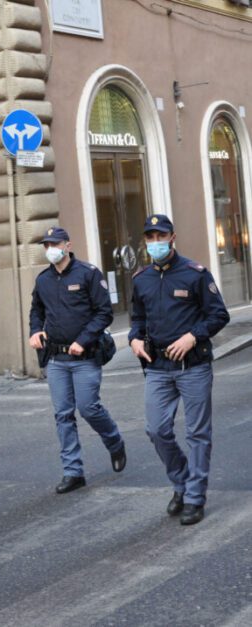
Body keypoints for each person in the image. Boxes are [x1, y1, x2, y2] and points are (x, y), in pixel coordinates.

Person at [129, 215, 229, 525]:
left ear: (173, 237)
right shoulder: (141, 278)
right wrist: (134, 339)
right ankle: (182, 483)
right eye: (150, 237)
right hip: (157, 367)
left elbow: (219, 315)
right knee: (156, 429)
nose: (155, 242)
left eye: (161, 236)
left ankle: (195, 498)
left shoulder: (195, 274)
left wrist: (192, 336)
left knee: (197, 433)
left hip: (193, 366)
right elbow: (137, 318)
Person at [29, 227, 127, 494]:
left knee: (89, 407)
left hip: (85, 356)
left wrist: (83, 340)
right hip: (57, 358)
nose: (50, 249)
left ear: (67, 245)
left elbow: (104, 313)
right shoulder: (43, 280)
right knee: (63, 414)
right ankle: (73, 471)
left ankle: (114, 441)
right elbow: (36, 311)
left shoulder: (88, 274)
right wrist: (35, 330)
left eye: (55, 244)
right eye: (46, 244)